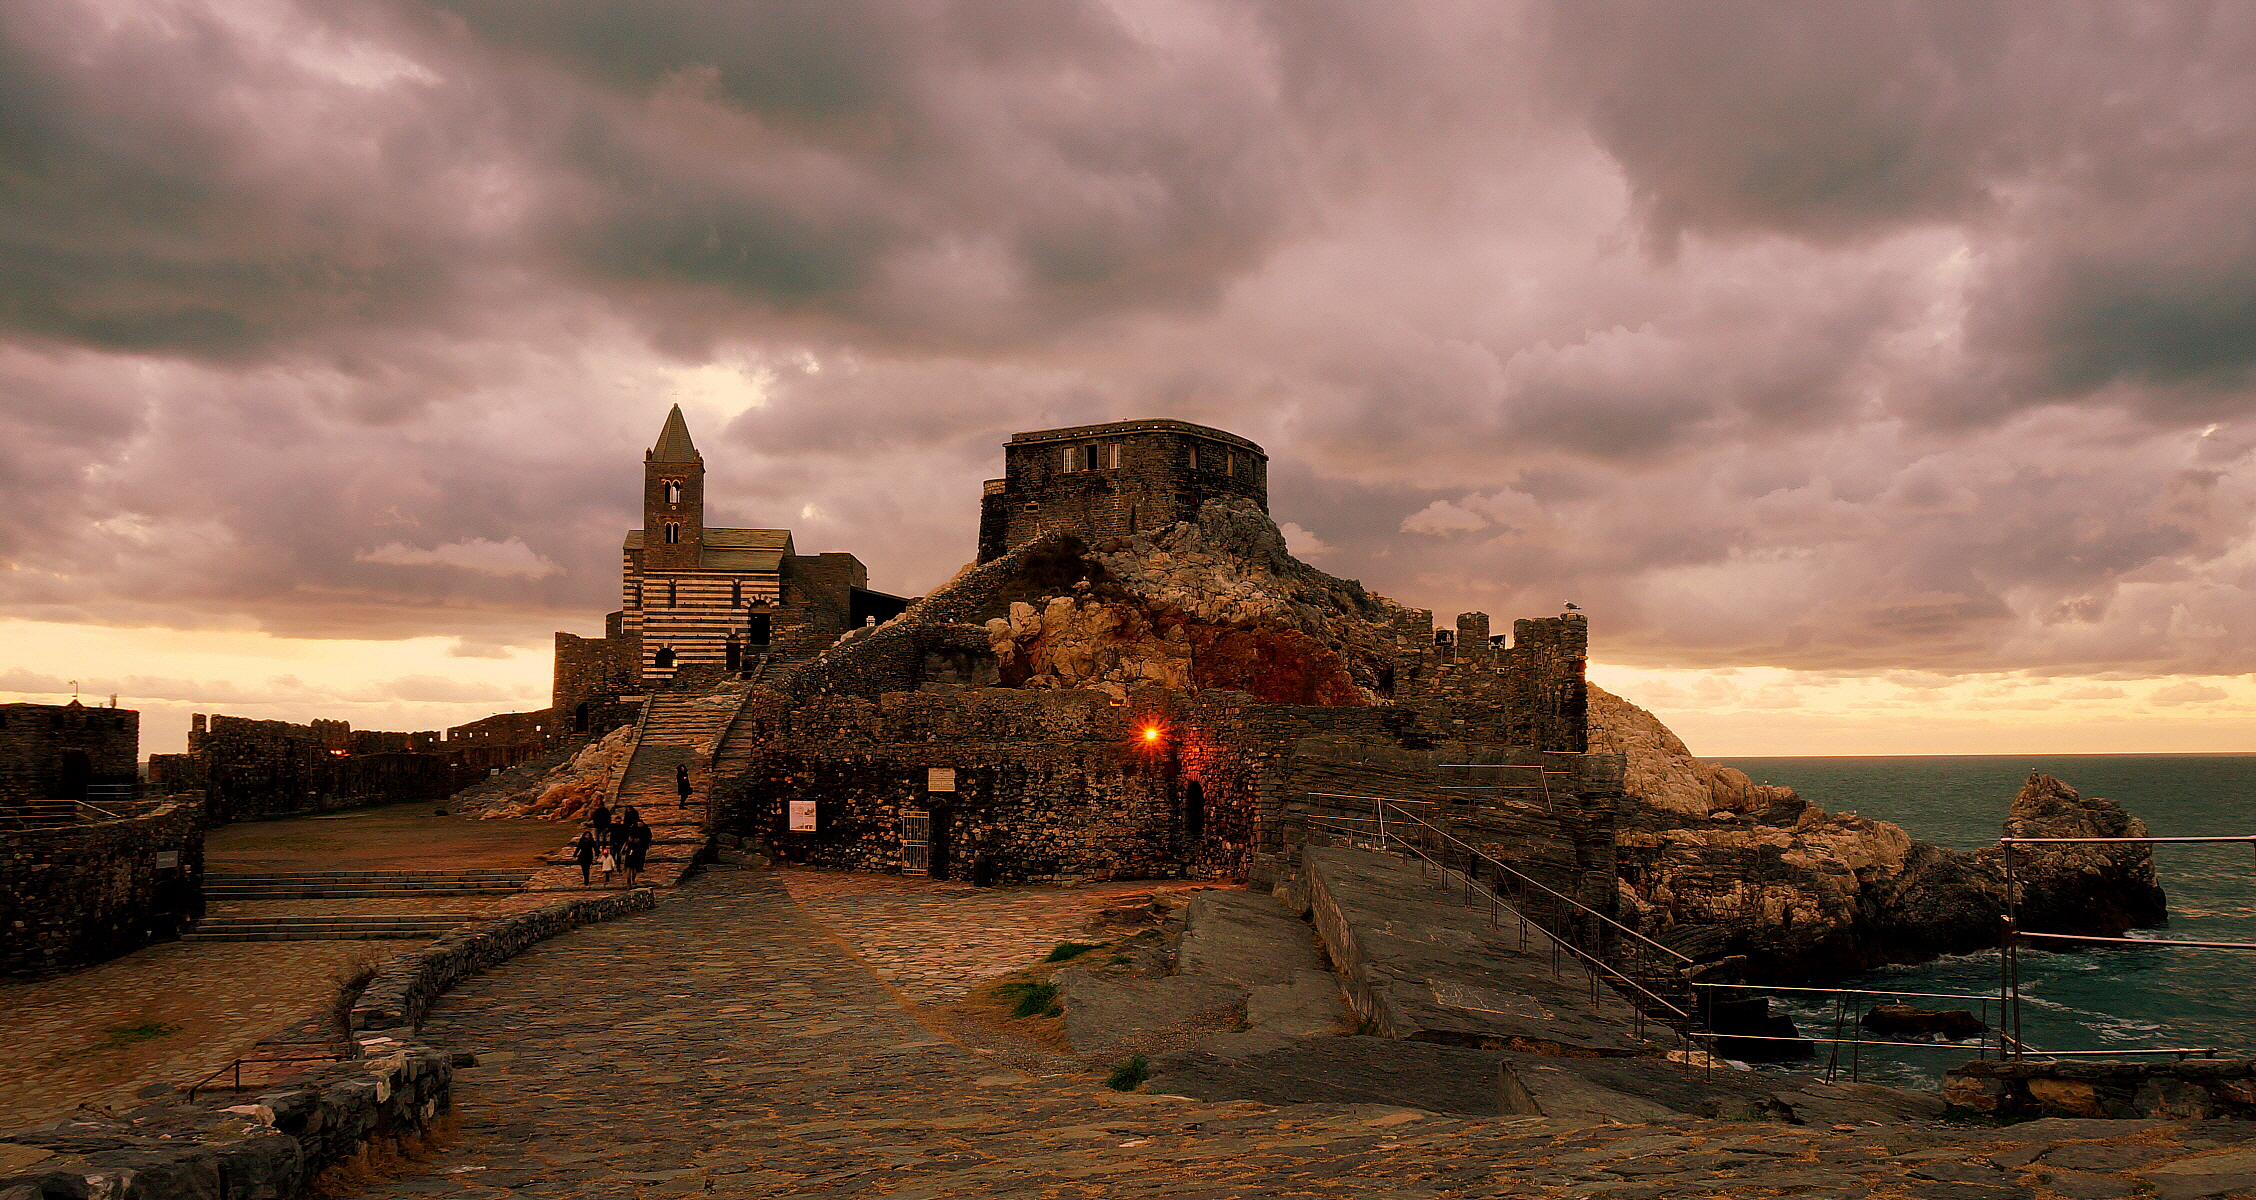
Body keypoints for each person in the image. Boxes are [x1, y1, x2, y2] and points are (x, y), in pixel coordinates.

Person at [618, 806, 653, 888]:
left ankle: (636, 874)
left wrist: (644, 842)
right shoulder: (633, 831)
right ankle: (629, 881)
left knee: (636, 866)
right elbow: (626, 844)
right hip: (630, 853)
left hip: (639, 848)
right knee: (629, 868)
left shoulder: (645, 830)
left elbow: (648, 837)